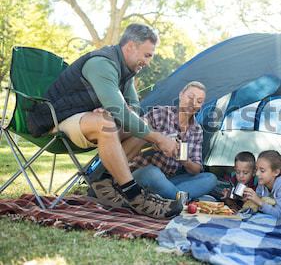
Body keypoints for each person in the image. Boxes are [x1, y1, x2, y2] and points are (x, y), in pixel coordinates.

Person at [26, 23, 183, 219]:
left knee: (141, 126)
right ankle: (135, 196)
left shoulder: (126, 72)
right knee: (106, 123)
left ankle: (103, 181)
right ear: (131, 46)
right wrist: (159, 138)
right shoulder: (102, 63)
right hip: (55, 119)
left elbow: (133, 110)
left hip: (83, 119)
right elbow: (123, 114)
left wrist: (118, 110)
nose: (148, 62)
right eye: (147, 55)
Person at [128, 81, 217, 200]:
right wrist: (156, 140)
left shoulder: (197, 130)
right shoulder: (161, 113)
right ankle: (179, 199)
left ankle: (163, 197)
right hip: (142, 173)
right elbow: (136, 129)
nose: (193, 103)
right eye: (190, 97)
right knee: (153, 173)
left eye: (199, 101)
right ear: (181, 95)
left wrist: (185, 160)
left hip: (168, 179)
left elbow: (196, 169)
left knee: (210, 179)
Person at [243, 150, 281, 218]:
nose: (257, 174)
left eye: (262, 170)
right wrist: (250, 200)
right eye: (256, 169)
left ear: (276, 172)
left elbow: (278, 213)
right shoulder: (262, 180)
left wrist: (258, 201)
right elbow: (257, 203)